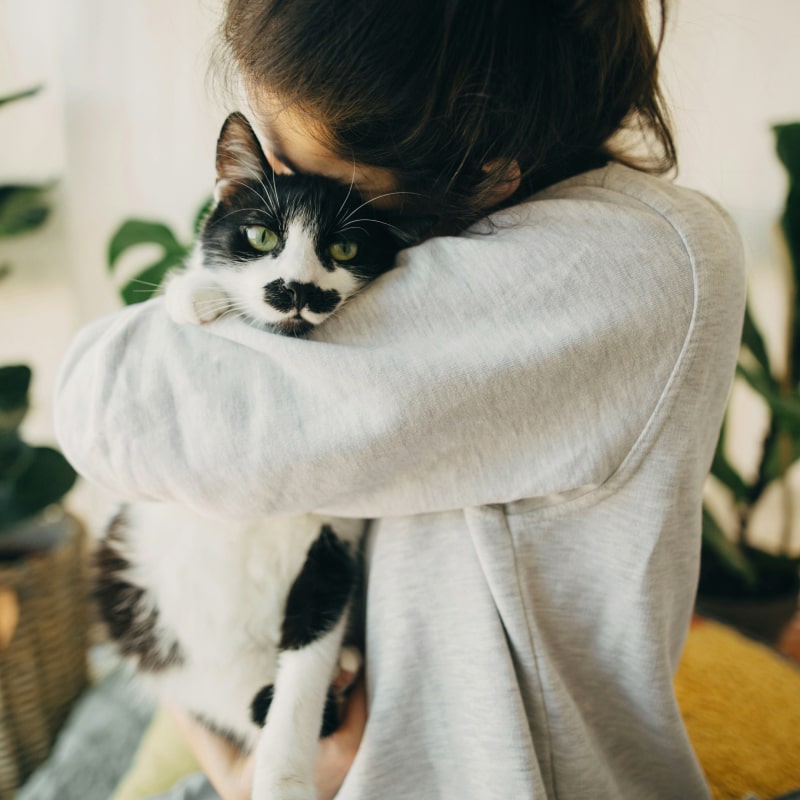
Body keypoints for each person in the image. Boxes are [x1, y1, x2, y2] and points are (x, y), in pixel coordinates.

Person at [54, 1, 745, 798]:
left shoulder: (626, 267)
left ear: (484, 176)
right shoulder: (485, 232)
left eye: (307, 175)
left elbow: (114, 406)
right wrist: (242, 768)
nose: (287, 193)